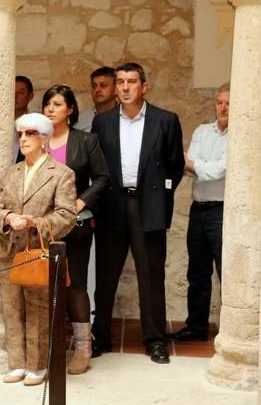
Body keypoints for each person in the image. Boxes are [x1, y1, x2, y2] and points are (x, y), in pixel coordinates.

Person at [91, 62, 185, 364]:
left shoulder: (166, 121)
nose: (126, 87)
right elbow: (99, 167)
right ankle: (99, 338)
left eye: (132, 81)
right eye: (120, 82)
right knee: (105, 277)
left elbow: (174, 166)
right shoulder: (102, 123)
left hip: (149, 205)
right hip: (112, 205)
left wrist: (161, 195)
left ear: (144, 86)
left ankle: (155, 340)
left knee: (151, 276)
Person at [0, 112, 77, 386]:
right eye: (21, 134)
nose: (23, 139)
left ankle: (37, 365)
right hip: (9, 250)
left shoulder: (62, 173)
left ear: (45, 139)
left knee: (38, 309)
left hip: (39, 251)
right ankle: (17, 364)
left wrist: (35, 222)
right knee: (11, 308)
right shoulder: (10, 172)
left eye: (30, 133)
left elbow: (67, 215)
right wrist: (8, 219)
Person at [42, 85, 110, 374]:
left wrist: (80, 202)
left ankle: (83, 348)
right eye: (47, 104)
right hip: (44, 226)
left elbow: (103, 178)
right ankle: (47, 346)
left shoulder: (86, 140)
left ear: (70, 110)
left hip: (77, 222)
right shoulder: (37, 141)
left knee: (76, 286)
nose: (50, 109)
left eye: (57, 104)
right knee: (44, 286)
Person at [169, 84, 229, 342]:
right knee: (197, 272)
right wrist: (199, 166)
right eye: (219, 102)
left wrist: (197, 165)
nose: (223, 108)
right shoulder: (202, 131)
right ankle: (197, 328)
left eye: (228, 103)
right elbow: (189, 166)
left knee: (225, 272)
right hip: (199, 210)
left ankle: (230, 332)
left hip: (223, 211)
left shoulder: (240, 136)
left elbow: (218, 170)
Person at [74, 67, 118, 132]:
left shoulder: (126, 117)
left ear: (116, 90)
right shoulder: (79, 120)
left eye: (103, 85)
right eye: (94, 86)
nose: (97, 90)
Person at [13, 75, 35, 161]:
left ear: (30, 96)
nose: (14, 97)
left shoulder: (35, 124)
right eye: (11, 92)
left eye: (20, 92)